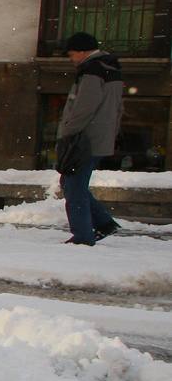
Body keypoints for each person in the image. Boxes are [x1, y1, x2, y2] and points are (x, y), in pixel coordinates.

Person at [56, 31, 123, 246]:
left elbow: (84, 107)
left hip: (84, 139)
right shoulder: (110, 68)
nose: (71, 59)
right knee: (71, 182)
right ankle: (104, 223)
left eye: (72, 54)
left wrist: (67, 133)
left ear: (83, 52)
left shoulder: (92, 71)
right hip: (99, 137)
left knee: (73, 186)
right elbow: (118, 109)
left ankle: (83, 236)